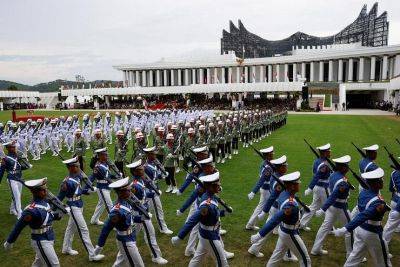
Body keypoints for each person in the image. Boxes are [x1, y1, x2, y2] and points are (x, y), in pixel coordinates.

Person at [171, 171, 232, 267]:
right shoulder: (206, 205)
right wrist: (180, 236)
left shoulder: (211, 196)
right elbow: (193, 219)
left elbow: (213, 214)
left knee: (197, 259)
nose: (219, 186)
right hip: (210, 236)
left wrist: (224, 212)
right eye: (217, 185)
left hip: (206, 234)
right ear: (211, 187)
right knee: (222, 262)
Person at [250, 171, 311, 266]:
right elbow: (275, 219)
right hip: (290, 233)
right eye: (298, 183)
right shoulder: (290, 204)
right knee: (305, 259)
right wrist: (259, 235)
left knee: (276, 257)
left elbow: (291, 213)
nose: (299, 184)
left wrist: (302, 210)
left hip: (283, 230)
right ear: (292, 186)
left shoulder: (284, 194)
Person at [334, 168, 392, 267]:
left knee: (354, 258)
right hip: (373, 232)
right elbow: (364, 215)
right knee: (383, 262)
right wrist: (345, 229)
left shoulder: (363, 193)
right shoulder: (378, 201)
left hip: (360, 230)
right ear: (376, 183)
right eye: (380, 180)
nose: (382, 181)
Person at [3, 178, 63, 266]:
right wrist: (9, 242)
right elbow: (18, 227)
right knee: (54, 265)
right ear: (35, 192)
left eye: (46, 189)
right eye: (43, 190)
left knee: (38, 264)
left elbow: (46, 216)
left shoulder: (45, 202)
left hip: (49, 236)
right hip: (40, 240)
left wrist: (57, 216)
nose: (46, 192)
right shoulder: (30, 211)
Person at [57, 157, 104, 261]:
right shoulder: (66, 182)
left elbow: (78, 190)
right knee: (84, 230)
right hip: (73, 206)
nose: (79, 167)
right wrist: (61, 208)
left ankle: (66, 248)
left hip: (79, 204)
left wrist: (88, 191)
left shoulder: (78, 176)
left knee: (71, 228)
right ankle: (92, 255)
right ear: (70, 168)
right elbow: (58, 198)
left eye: (78, 165)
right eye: (76, 166)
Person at [94, 177, 146, 267]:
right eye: (128, 191)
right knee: (138, 264)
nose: (131, 192)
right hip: (125, 240)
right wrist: (100, 245)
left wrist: (141, 218)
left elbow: (130, 217)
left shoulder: (127, 202)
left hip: (131, 236)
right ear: (120, 193)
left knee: (120, 263)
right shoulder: (116, 211)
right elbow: (106, 228)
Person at [126, 159, 169, 265]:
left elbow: (144, 195)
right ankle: (156, 256)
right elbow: (133, 203)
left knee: (132, 237)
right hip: (140, 214)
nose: (143, 170)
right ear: (135, 172)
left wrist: (154, 193)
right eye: (140, 169)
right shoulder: (134, 186)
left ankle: (124, 254)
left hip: (143, 213)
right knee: (149, 234)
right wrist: (143, 213)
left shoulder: (141, 180)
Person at [311, 155, 353, 257]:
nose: (348, 168)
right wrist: (322, 209)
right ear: (342, 168)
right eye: (346, 166)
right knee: (350, 229)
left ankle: (316, 249)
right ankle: (351, 253)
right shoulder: (342, 181)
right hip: (341, 207)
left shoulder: (334, 175)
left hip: (332, 207)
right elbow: (334, 196)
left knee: (324, 228)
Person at [300, 143, 332, 231]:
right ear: (325, 153)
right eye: (329, 151)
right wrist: (309, 188)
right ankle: (329, 228)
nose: (330, 153)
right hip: (323, 188)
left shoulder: (318, 161)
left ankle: (302, 223)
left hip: (317, 188)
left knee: (313, 207)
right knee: (328, 207)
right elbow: (317, 176)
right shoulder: (324, 164)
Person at [143, 146, 173, 235]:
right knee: (158, 210)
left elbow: (156, 175)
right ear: (148, 155)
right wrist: (154, 190)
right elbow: (147, 181)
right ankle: (163, 228)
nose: (155, 155)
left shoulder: (154, 163)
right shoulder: (146, 167)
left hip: (155, 188)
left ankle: (136, 223)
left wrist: (162, 175)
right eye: (152, 154)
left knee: (146, 210)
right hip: (151, 191)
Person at [0, 140, 32, 219]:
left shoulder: (18, 156)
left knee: (17, 195)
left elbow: (21, 167)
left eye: (14, 147)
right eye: (13, 147)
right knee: (17, 196)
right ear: (8, 148)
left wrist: (27, 165)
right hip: (12, 179)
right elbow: (1, 170)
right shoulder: (5, 159)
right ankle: (20, 214)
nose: (15, 148)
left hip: (19, 178)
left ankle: (12, 209)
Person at [246, 146, 274, 231]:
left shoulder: (265, 163)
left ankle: (250, 224)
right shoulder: (267, 167)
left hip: (265, 189)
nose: (273, 155)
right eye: (271, 154)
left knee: (261, 207)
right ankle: (270, 227)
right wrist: (253, 192)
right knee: (273, 207)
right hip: (267, 190)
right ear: (267, 156)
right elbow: (262, 180)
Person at [88, 148, 116, 225]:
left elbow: (108, 175)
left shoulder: (105, 163)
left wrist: (116, 176)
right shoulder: (97, 166)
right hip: (102, 188)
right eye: (105, 155)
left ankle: (94, 220)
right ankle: (113, 224)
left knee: (101, 204)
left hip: (107, 187)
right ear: (100, 156)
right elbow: (92, 177)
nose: (107, 156)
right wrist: (88, 185)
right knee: (110, 206)